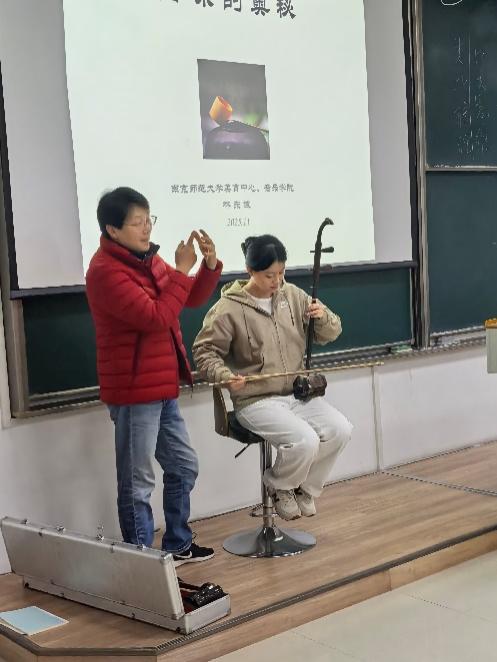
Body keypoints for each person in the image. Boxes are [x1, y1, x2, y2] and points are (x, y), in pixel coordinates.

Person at [86, 186, 222, 566]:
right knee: (138, 484)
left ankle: (177, 544)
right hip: (133, 391)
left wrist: (208, 266)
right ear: (113, 230)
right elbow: (156, 317)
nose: (147, 228)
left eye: (149, 220)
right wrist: (180, 270)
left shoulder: (149, 260)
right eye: (137, 222)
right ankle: (143, 564)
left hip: (162, 386)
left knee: (183, 466)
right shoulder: (105, 271)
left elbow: (188, 299)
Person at [192, 234, 352, 521]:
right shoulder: (229, 308)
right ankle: (279, 485)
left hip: (297, 394)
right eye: (269, 275)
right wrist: (225, 376)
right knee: (305, 440)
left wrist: (322, 317)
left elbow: (332, 332)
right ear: (250, 270)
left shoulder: (293, 296)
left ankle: (305, 488)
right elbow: (204, 352)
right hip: (255, 400)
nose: (277, 281)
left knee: (341, 429)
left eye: (281, 272)